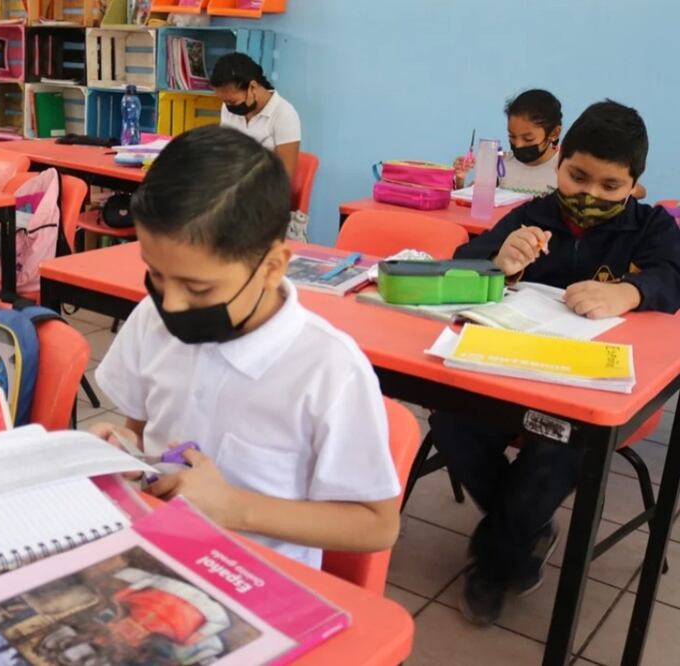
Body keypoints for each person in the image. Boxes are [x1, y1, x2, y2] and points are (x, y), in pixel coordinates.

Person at [90, 125, 400, 569]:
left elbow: (377, 524)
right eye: (156, 275)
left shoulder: (329, 369)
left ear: (272, 266)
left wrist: (237, 509)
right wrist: (122, 449)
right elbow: (138, 431)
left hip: (259, 580)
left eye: (198, 287)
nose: (171, 304)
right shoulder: (149, 319)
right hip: (154, 552)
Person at [431, 100, 680, 626]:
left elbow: (672, 278)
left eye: (609, 186)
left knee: (558, 447)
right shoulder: (531, 215)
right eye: (577, 177)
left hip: (589, 387)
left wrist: (631, 293)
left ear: (633, 184)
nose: (589, 195)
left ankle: (498, 558)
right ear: (559, 161)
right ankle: (522, 530)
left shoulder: (650, 226)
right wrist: (501, 265)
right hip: (507, 369)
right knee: (450, 417)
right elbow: (464, 264)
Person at [454, 89, 564, 196]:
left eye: (528, 139)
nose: (518, 145)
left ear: (554, 133)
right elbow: (473, 203)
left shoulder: (563, 170)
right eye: (512, 136)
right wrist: (460, 179)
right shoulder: (501, 164)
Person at [210, 52, 301, 180]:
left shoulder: (284, 114)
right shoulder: (229, 108)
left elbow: (285, 178)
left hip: (266, 190)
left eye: (232, 102)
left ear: (252, 87)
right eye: (225, 102)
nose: (228, 106)